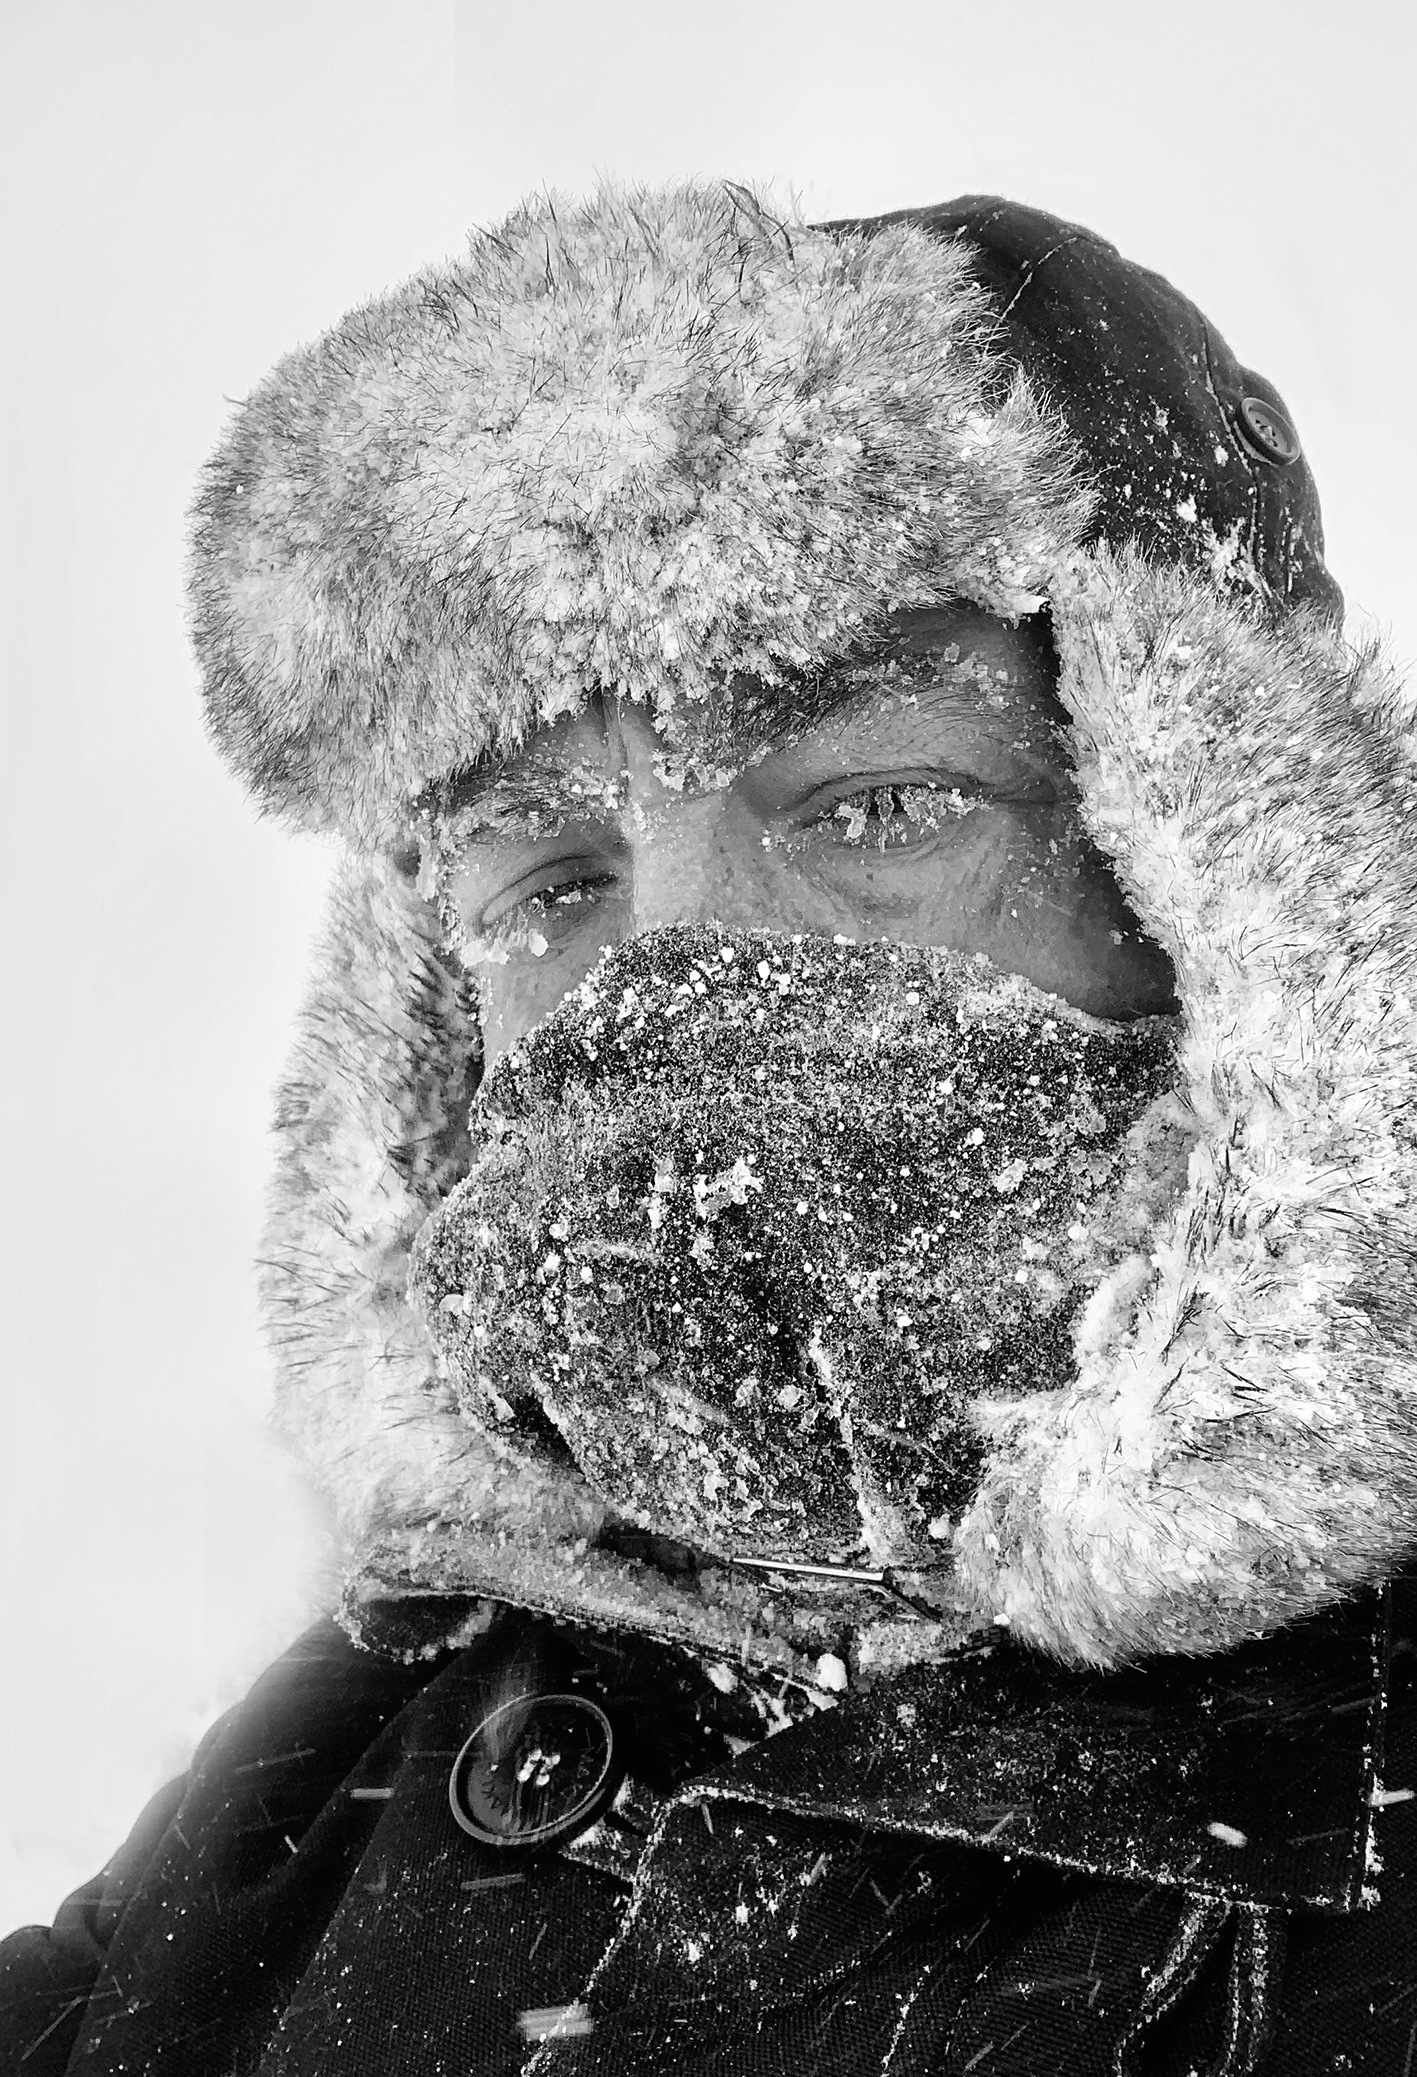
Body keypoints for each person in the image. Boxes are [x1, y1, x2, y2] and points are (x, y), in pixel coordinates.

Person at [3, 182, 1415, 2076]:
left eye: (881, 800)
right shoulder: (334, 1763)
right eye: (551, 879)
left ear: (1208, 880)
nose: (669, 966)